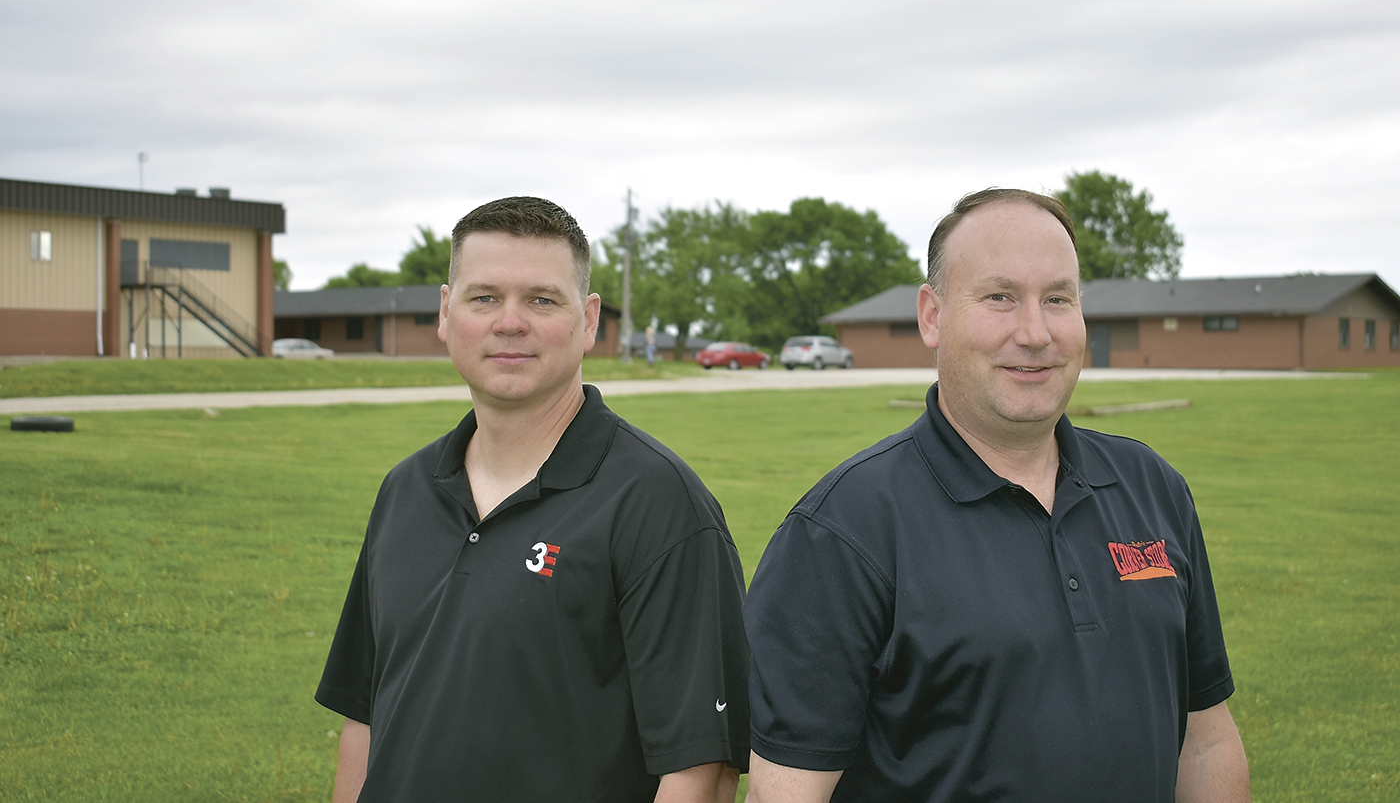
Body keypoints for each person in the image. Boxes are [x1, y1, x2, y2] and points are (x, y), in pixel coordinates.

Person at [743, 188, 1249, 802]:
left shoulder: (1152, 487)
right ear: (932, 316)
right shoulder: (841, 532)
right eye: (1000, 298)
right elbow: (786, 792)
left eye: (1057, 298)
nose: (1035, 333)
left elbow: (1206, 739)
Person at [317, 196, 749, 803]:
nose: (510, 322)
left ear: (589, 319)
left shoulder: (659, 504)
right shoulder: (405, 489)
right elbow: (364, 718)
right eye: (484, 297)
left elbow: (699, 771)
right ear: (446, 312)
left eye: (542, 300)